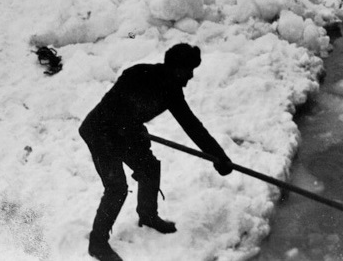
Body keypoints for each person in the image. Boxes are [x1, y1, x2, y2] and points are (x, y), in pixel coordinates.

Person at [78, 44, 233, 261]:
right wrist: (133, 130)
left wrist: (219, 157)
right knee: (117, 187)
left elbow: (193, 126)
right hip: (100, 131)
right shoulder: (138, 75)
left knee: (150, 167)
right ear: (174, 68)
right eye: (187, 71)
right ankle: (97, 243)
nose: (189, 77)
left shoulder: (172, 92)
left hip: (126, 132)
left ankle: (148, 216)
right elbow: (115, 109)